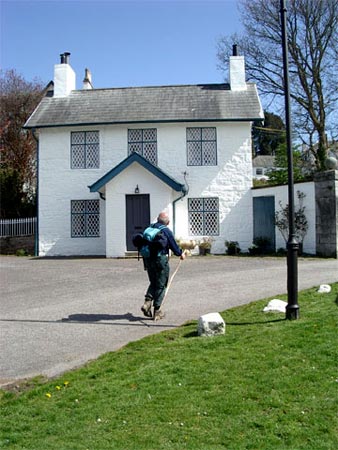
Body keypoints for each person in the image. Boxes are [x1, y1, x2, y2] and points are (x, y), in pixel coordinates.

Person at [141, 211, 185, 321]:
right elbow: (174, 247)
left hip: (148, 259)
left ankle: (147, 303)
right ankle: (157, 311)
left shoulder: (150, 228)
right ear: (168, 222)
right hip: (160, 260)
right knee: (161, 285)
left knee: (153, 282)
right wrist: (181, 254)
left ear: (157, 220)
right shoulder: (166, 231)